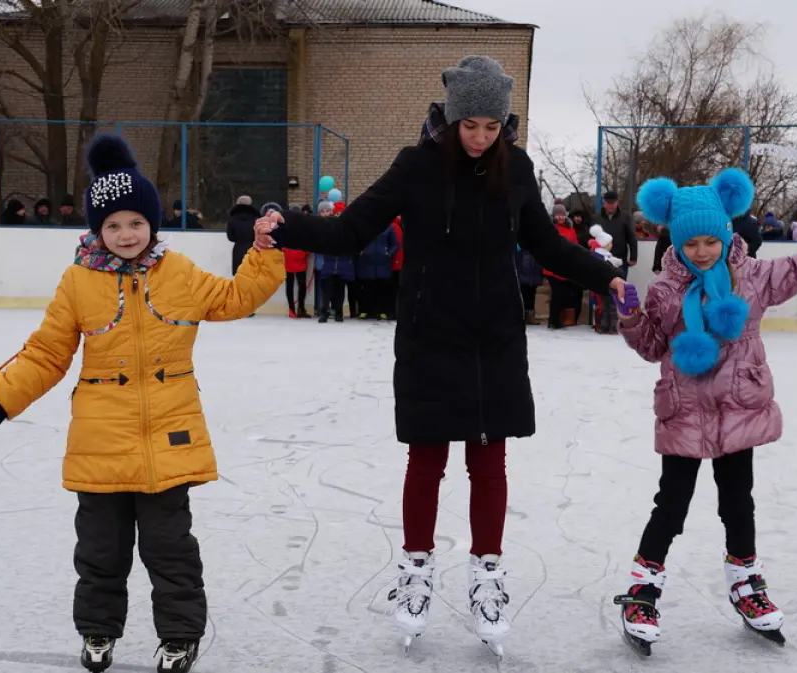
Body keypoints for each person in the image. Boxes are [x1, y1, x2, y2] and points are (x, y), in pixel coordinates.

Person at [247, 55, 627, 654]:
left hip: (495, 337)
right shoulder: (415, 166)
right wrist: (286, 226)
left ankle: (487, 574)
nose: (479, 137)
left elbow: (547, 244)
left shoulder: (518, 169)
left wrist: (606, 277)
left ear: (506, 124)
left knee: (489, 463)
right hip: (431, 334)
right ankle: (416, 570)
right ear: (450, 120)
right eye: (469, 125)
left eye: (491, 126)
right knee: (426, 462)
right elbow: (351, 233)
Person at [0, 135, 284, 673]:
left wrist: (262, 255)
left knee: (171, 551)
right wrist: (4, 397)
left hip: (169, 438)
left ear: (152, 224)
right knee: (100, 553)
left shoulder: (179, 273)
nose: (125, 234)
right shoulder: (78, 281)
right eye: (112, 225)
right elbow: (48, 351)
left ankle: (180, 636)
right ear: (97, 230)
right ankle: (97, 632)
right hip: (100, 442)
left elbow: (233, 299)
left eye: (135, 222)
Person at [608, 166, 797, 655]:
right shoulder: (664, 290)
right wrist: (629, 317)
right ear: (676, 244)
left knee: (738, 502)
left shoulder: (755, 278)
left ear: (726, 234)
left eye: (710, 240)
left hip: (737, 410)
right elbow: (649, 346)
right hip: (684, 411)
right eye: (691, 244)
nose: (702, 251)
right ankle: (642, 591)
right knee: (672, 504)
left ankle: (746, 586)